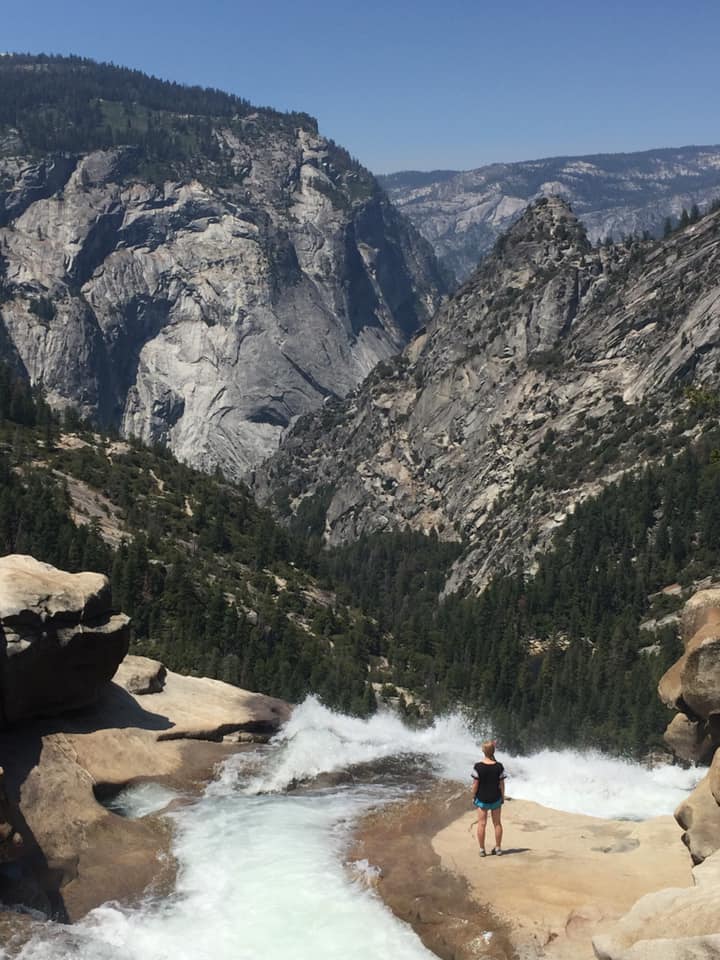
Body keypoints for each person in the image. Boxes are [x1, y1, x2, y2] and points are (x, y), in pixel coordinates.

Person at [471, 739, 506, 857]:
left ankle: (482, 850)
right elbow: (502, 784)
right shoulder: (499, 766)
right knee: (497, 823)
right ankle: (498, 848)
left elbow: (475, 784)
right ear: (493, 751)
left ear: (483, 751)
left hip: (482, 798)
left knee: (482, 824)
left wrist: (473, 796)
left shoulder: (478, 766)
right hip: (496, 798)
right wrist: (502, 796)